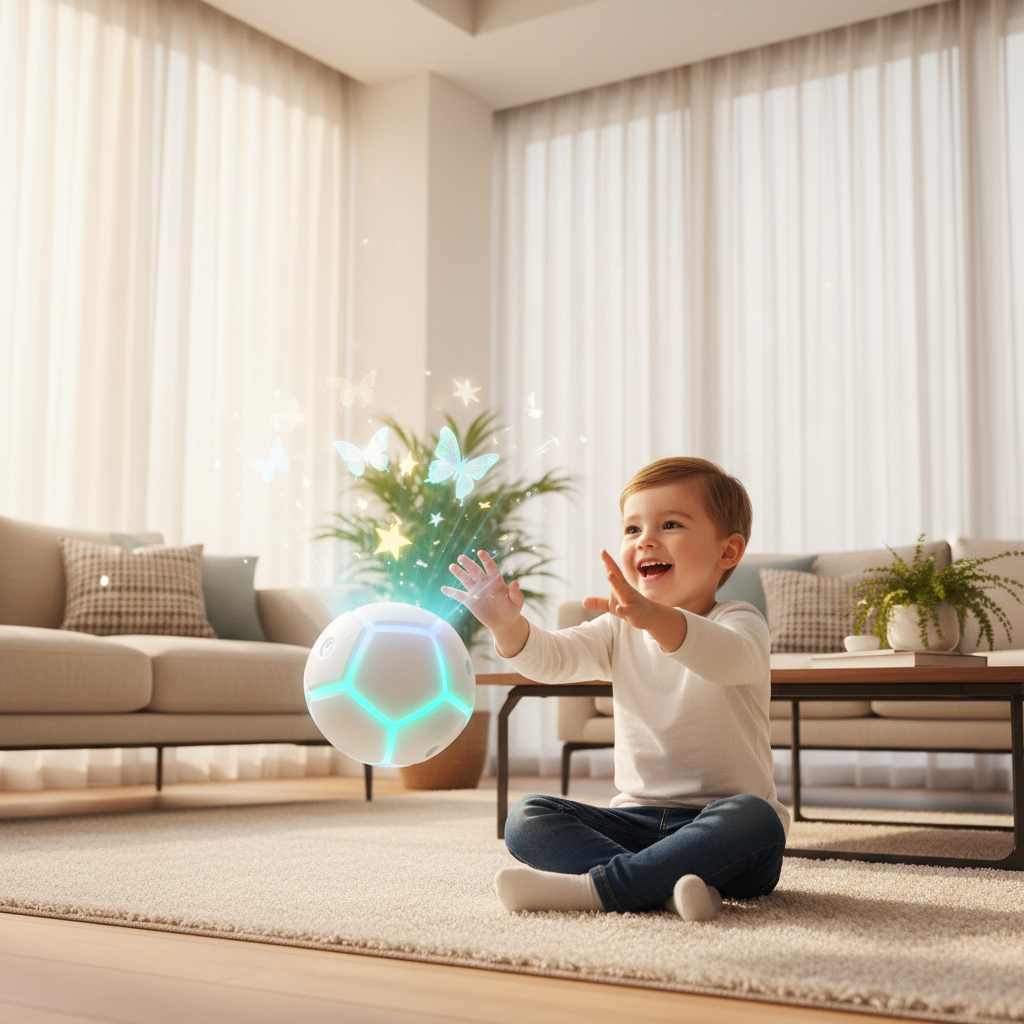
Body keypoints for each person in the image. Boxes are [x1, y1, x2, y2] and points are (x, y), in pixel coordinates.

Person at [441, 457, 788, 921]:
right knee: (526, 818)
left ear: (728, 552)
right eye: (631, 529)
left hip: (722, 830)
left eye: (670, 524)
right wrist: (508, 626)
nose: (645, 539)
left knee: (756, 819)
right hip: (635, 823)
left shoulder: (740, 620)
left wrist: (653, 618)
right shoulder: (617, 629)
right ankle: (662, 887)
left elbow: (724, 657)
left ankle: (598, 891)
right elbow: (552, 658)